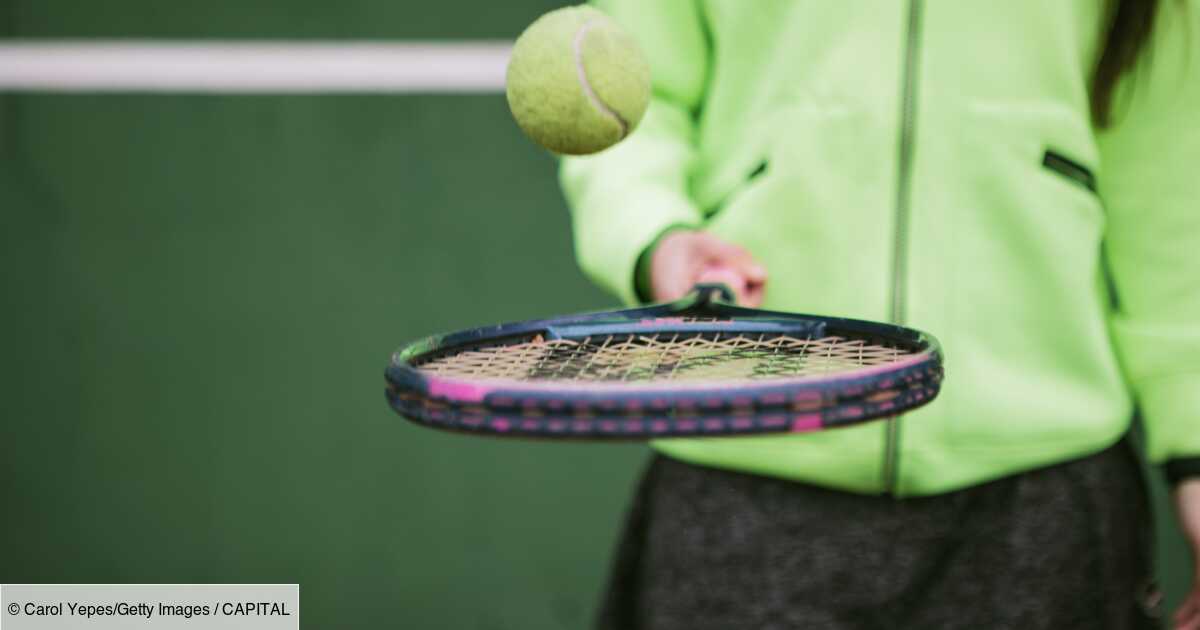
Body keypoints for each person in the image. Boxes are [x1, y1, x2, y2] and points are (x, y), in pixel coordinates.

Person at [559, 1, 1200, 628]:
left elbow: (1173, 185)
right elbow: (636, 93)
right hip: (742, 462)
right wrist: (658, 236)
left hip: (1045, 503)